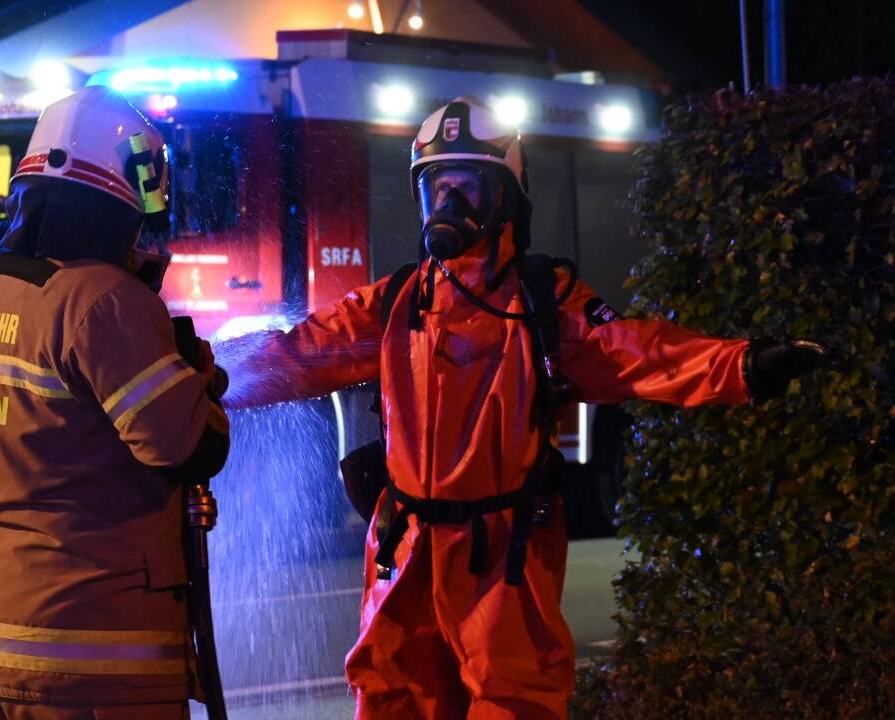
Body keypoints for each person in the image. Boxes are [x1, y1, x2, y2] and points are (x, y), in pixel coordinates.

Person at [217, 96, 830, 719]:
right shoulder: (398, 300)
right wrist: (204, 370)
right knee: (391, 692)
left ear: (505, 198)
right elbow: (298, 352)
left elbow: (638, 352)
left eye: (468, 189)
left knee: (513, 699)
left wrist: (743, 366)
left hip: (501, 552)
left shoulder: (544, 302)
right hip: (406, 552)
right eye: (438, 188)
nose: (449, 207)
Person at [0, 86, 230, 720]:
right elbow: (190, 445)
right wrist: (195, 375)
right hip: (93, 652)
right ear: (121, 198)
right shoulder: (103, 300)